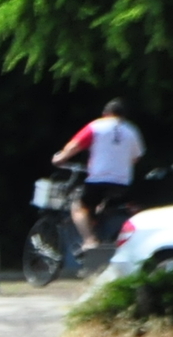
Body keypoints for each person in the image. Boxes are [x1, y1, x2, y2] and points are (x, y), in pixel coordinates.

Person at [53, 100, 145, 247]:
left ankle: (90, 241)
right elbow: (136, 157)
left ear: (105, 114)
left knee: (79, 207)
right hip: (123, 183)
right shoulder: (132, 130)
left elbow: (75, 145)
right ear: (124, 116)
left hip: (98, 181)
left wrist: (60, 158)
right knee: (102, 205)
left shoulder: (96, 126)